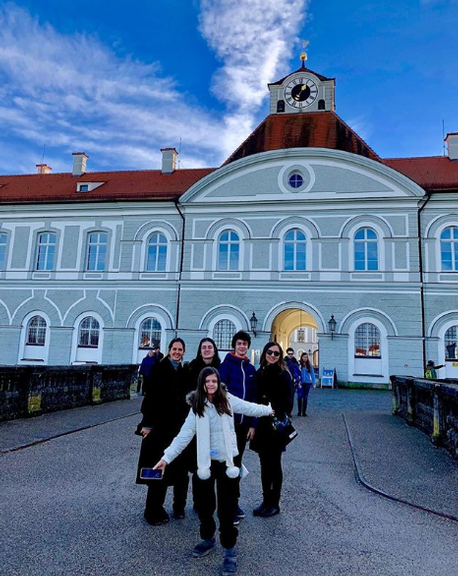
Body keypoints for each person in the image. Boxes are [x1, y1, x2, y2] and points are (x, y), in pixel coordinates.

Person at [153, 367, 273, 576]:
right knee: (205, 505)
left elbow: (249, 407)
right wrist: (166, 458)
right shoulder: (197, 407)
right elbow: (183, 436)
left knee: (227, 508)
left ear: (218, 383)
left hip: (227, 461)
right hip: (206, 462)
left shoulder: (227, 400)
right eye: (207, 381)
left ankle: (229, 550)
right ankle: (207, 537)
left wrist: (268, 410)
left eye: (214, 381)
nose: (211, 384)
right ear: (201, 384)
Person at [136, 337, 192, 525]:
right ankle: (151, 511)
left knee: (168, 470)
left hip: (175, 428)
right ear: (169, 350)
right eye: (174, 349)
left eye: (180, 349)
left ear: (183, 352)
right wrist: (147, 423)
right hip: (159, 427)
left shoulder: (183, 371)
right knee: (156, 469)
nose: (177, 352)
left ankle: (159, 508)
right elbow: (150, 397)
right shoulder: (159, 369)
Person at [218, 330, 257, 524]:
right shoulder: (225, 366)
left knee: (237, 463)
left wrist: (252, 425)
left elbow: (253, 398)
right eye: (239, 343)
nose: (242, 346)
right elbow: (218, 393)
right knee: (229, 465)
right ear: (234, 345)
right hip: (228, 425)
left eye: (245, 344)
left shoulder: (250, 369)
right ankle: (228, 506)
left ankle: (233, 502)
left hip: (243, 426)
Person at [250, 342, 292, 518]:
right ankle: (266, 500)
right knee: (264, 464)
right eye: (270, 352)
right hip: (261, 424)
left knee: (274, 463)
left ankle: (275, 503)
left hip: (274, 424)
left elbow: (288, 402)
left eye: (276, 353)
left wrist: (275, 411)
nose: (273, 355)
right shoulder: (259, 372)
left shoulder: (283, 375)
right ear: (265, 353)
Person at [298, 352, 316, 416]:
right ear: (301, 357)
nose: (305, 358)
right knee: (300, 396)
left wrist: (314, 383)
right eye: (304, 357)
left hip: (307, 383)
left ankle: (304, 412)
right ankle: (299, 411)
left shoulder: (309, 365)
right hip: (300, 383)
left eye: (306, 357)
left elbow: (312, 374)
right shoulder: (299, 364)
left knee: (305, 397)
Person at [284, 347, 300, 415]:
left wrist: (297, 380)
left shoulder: (295, 362)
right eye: (289, 353)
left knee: (291, 397)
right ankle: (285, 411)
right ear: (287, 353)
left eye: (291, 354)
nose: (290, 355)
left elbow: (298, 371)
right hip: (285, 382)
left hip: (292, 382)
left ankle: (289, 411)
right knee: (284, 396)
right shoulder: (284, 361)